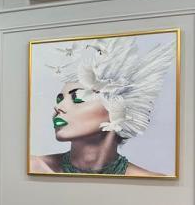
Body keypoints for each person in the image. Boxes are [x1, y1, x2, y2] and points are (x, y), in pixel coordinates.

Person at [30, 36, 175, 176]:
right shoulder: (34, 167)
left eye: (78, 98)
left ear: (118, 107)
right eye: (60, 99)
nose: (58, 107)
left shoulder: (151, 182)